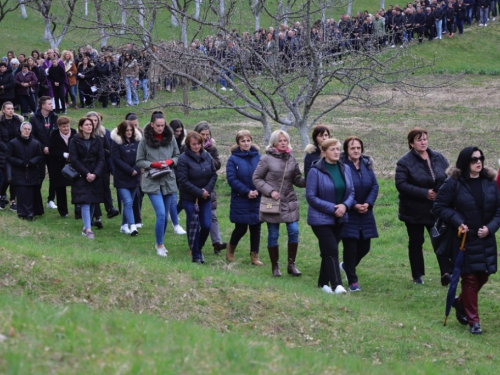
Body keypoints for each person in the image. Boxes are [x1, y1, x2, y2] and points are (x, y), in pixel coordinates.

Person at [433, 147, 500, 335]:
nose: (479, 162)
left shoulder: (489, 182)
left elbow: (498, 210)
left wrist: (490, 228)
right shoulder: (453, 183)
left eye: (481, 158)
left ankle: (460, 301)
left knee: (483, 275)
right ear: (465, 162)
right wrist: (458, 222)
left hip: (485, 238)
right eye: (473, 159)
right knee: (469, 278)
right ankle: (474, 322)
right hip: (464, 239)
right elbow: (439, 206)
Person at [395, 127, 453, 285]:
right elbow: (401, 184)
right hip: (413, 209)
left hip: (436, 208)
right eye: (419, 139)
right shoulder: (404, 161)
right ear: (411, 143)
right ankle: (417, 276)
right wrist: (424, 193)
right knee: (416, 241)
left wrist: (440, 194)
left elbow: (449, 177)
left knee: (440, 239)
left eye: (425, 139)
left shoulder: (438, 157)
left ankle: (446, 273)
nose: (423, 142)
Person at [252, 130, 306, 277]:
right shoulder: (266, 159)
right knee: (273, 234)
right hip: (272, 202)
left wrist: (309, 180)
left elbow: (297, 179)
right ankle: (275, 266)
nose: (283, 143)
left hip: (289, 201)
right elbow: (256, 178)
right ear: (274, 142)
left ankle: (291, 265)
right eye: (280, 140)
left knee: (294, 231)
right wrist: (270, 191)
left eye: (286, 140)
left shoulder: (292, 159)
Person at [306, 138, 354, 294]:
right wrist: (333, 208)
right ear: (324, 152)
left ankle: (322, 284)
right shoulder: (315, 171)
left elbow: (351, 192)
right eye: (332, 149)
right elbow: (311, 196)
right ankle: (337, 285)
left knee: (327, 251)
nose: (336, 152)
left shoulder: (345, 169)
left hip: (340, 218)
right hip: (320, 219)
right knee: (332, 249)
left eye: (338, 149)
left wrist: (345, 206)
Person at [136, 111, 180, 256]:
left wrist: (169, 162)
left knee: (165, 215)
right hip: (152, 181)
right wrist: (153, 164)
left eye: (162, 125)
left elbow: (178, 156)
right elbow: (139, 161)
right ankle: (159, 245)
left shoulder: (171, 137)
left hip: (168, 180)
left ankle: (160, 241)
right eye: (158, 126)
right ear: (152, 124)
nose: (160, 128)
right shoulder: (144, 140)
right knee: (161, 214)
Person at [339, 136, 379, 292]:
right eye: (352, 148)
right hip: (349, 212)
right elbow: (342, 188)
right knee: (350, 247)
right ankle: (352, 281)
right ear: (347, 150)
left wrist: (368, 204)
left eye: (358, 148)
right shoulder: (342, 166)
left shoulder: (367, 165)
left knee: (365, 247)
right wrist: (354, 205)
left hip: (366, 212)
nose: (356, 151)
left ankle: (346, 267)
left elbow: (374, 186)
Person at [176, 131, 217, 264]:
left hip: (205, 197)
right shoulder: (183, 158)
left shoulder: (207, 156)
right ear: (188, 144)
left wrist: (207, 190)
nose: (196, 147)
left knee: (206, 225)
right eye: (194, 144)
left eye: (199, 144)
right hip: (189, 198)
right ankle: (196, 256)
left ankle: (197, 249)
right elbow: (183, 180)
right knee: (194, 225)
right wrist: (199, 192)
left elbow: (213, 175)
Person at [226, 130, 263, 266]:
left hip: (257, 197)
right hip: (241, 198)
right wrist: (246, 191)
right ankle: (230, 248)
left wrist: (258, 190)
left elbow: (264, 175)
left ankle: (255, 256)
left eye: (248, 140)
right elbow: (232, 179)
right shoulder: (233, 159)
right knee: (241, 228)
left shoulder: (258, 157)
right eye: (243, 141)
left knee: (256, 227)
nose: (246, 143)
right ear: (238, 143)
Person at [193, 121, 227, 254]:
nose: (205, 137)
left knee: (212, 215)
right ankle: (194, 244)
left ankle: (216, 243)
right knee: (194, 218)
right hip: (194, 186)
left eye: (207, 134)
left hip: (209, 186)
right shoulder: (189, 146)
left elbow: (218, 164)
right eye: (202, 134)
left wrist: (206, 154)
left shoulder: (211, 148)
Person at [69, 117, 105, 239]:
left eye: (91, 124)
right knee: (85, 202)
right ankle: (88, 229)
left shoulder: (98, 140)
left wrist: (95, 173)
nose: (89, 126)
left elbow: (101, 158)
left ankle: (86, 226)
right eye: (86, 124)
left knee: (93, 201)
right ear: (80, 127)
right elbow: (74, 159)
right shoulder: (74, 140)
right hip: (81, 175)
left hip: (95, 174)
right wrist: (86, 173)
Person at [86, 111, 119, 227]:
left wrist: (99, 151)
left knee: (106, 187)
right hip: (90, 167)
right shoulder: (83, 136)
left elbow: (108, 151)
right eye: (91, 120)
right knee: (94, 190)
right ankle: (97, 216)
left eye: (95, 120)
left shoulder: (102, 133)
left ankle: (110, 208)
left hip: (103, 166)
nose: (93, 123)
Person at [6, 122, 44, 220]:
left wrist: (31, 162)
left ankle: (31, 212)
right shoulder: (13, 143)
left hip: (32, 171)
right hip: (19, 171)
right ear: (21, 130)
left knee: (31, 193)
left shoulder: (35, 143)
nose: (26, 131)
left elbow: (39, 156)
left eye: (28, 129)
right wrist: (21, 163)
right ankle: (23, 213)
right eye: (25, 129)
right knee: (22, 192)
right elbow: (9, 157)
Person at [111, 120, 142, 236]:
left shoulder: (138, 141)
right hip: (122, 178)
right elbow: (116, 159)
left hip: (135, 177)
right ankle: (133, 226)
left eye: (131, 130)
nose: (129, 132)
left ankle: (124, 225)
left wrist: (136, 170)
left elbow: (141, 157)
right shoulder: (116, 142)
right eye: (127, 130)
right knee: (128, 201)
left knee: (129, 202)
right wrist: (130, 170)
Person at [29, 96, 58, 210]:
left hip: (52, 152)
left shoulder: (55, 117)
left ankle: (51, 199)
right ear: (43, 106)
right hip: (39, 152)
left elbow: (56, 134)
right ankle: (36, 198)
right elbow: (32, 135)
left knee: (54, 176)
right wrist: (42, 147)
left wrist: (50, 147)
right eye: (49, 104)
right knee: (40, 175)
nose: (52, 105)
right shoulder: (34, 119)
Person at [48, 116, 76, 218]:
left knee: (76, 187)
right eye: (63, 127)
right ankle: (63, 211)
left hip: (73, 164)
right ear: (59, 126)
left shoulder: (74, 133)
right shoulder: (54, 134)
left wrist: (72, 155)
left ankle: (78, 211)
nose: (66, 129)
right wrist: (64, 155)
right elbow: (51, 150)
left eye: (67, 126)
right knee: (60, 188)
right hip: (58, 165)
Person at [0, 102, 23, 210]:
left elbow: (20, 136)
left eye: (12, 108)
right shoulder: (0, 122)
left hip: (16, 152)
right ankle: (1, 195)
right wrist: (7, 148)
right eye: (8, 109)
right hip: (3, 153)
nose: (11, 110)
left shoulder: (17, 121)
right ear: (3, 110)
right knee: (7, 178)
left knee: (14, 178)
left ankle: (13, 201)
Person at [167, 118, 187, 235]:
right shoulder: (168, 141)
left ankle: (173, 214)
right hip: (171, 172)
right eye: (176, 131)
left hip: (181, 173)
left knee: (183, 197)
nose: (178, 133)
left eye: (180, 131)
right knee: (173, 199)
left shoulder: (183, 142)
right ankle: (175, 224)